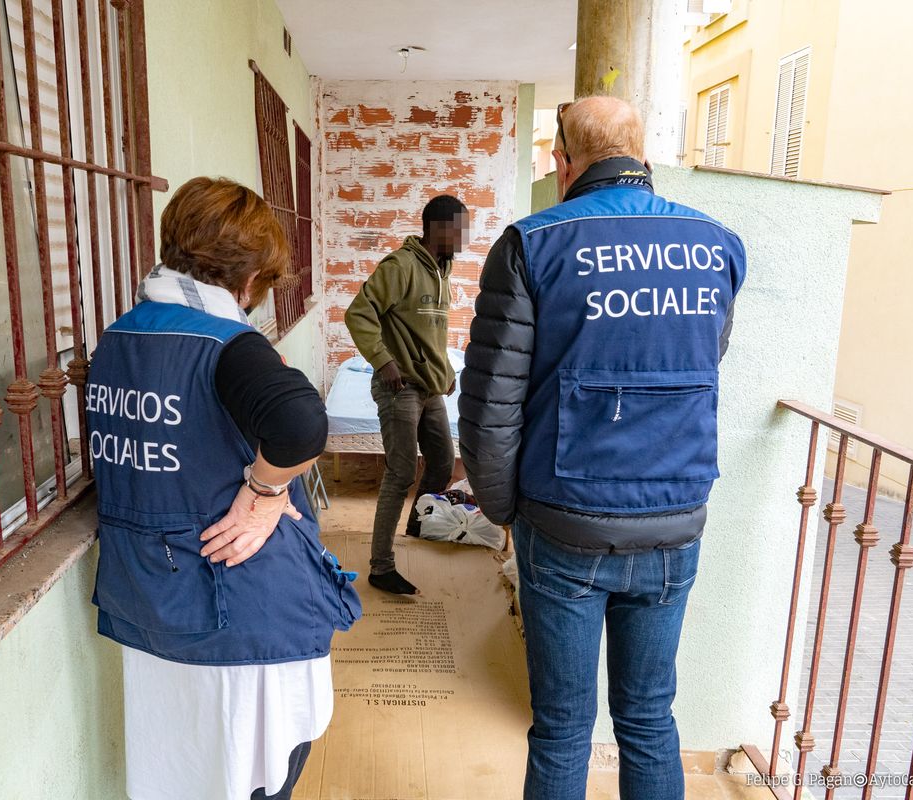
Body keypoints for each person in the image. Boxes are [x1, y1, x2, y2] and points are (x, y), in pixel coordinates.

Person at [459, 96, 746, 800]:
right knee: (649, 719)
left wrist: (504, 510)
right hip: (674, 519)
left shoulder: (531, 244)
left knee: (561, 728)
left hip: (564, 520)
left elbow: (492, 401)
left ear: (563, 162)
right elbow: (707, 359)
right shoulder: (718, 244)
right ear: (642, 158)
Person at [87, 177, 361, 800]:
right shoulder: (226, 342)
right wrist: (264, 494)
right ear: (249, 276)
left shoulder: (119, 337)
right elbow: (299, 421)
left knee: (188, 777)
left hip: (151, 601)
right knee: (254, 778)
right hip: (240, 615)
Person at [344, 195, 470, 596]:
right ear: (437, 228)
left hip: (428, 386)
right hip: (399, 388)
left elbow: (430, 336)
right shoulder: (400, 267)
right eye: (459, 229)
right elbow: (357, 313)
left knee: (442, 461)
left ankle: (418, 522)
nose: (465, 238)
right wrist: (383, 361)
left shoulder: (441, 269)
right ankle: (381, 567)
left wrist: (444, 372)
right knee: (399, 474)